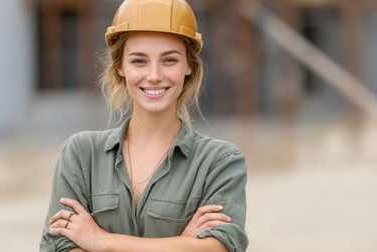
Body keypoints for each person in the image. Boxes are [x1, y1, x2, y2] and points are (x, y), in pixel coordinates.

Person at [40, 0, 248, 251]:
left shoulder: (220, 162)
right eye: (139, 61)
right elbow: (57, 246)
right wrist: (183, 244)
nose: (154, 75)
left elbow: (219, 247)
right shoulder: (82, 154)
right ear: (120, 67)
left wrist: (99, 240)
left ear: (189, 66)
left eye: (169, 60)